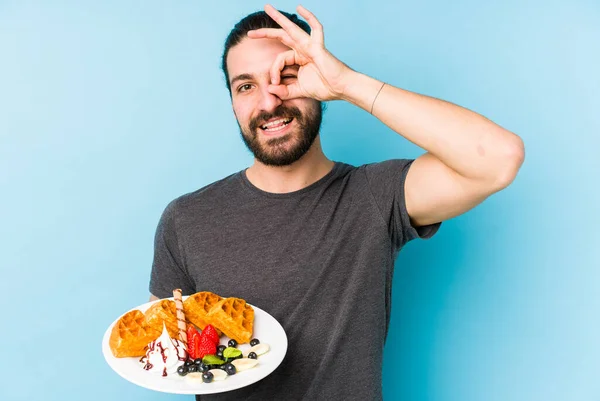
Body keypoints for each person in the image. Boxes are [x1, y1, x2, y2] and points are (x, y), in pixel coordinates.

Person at [148, 4, 525, 400]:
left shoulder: (374, 196)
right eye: (245, 86)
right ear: (232, 102)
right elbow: (167, 350)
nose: (268, 102)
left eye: (285, 76)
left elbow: (499, 158)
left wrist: (347, 83)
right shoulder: (185, 219)